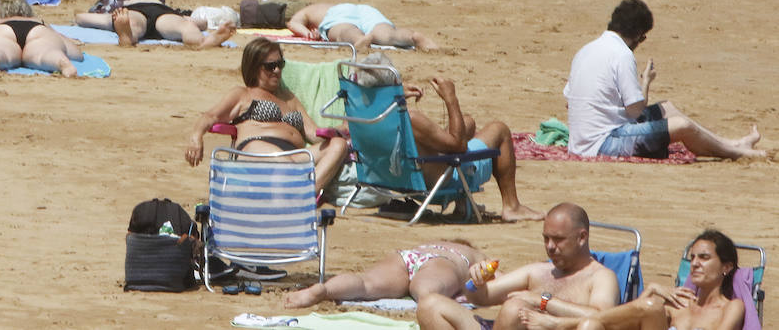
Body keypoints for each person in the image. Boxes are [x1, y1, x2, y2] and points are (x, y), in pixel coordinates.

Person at [563, 0, 764, 159]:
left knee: (666, 108)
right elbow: (634, 111)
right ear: (637, 34)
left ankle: (730, 143)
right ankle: (736, 152)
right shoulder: (621, 54)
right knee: (683, 126)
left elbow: (569, 101)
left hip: (583, 139)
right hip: (603, 143)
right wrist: (646, 83)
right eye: (642, 38)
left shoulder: (585, 50)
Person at [353, 53, 543, 222]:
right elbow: (459, 146)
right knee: (499, 130)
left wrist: (395, 93)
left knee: (467, 123)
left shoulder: (361, 113)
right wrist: (451, 98)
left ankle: (463, 205)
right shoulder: (410, 119)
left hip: (394, 178)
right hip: (437, 183)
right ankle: (512, 206)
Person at [184, 38, 349, 194]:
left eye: (280, 64)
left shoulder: (289, 97)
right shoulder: (243, 94)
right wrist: (196, 137)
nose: (277, 71)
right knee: (278, 157)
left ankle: (304, 194)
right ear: (254, 68)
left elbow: (314, 134)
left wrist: (341, 130)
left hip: (293, 157)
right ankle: (297, 187)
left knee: (338, 145)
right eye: (270, 66)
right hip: (256, 151)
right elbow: (210, 116)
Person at [415, 204, 619, 330]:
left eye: (558, 240)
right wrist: (474, 282)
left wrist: (543, 301)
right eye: (546, 239)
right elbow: (478, 298)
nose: (550, 247)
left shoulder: (601, 277)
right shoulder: (538, 271)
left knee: (514, 308)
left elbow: (602, 318)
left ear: (582, 237)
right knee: (430, 304)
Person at [526, 230, 746, 330]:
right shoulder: (679, 303)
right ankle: (565, 324)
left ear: (726, 267)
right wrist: (648, 292)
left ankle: (560, 325)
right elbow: (630, 321)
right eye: (693, 258)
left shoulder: (732, 307)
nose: (695, 263)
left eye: (704, 258)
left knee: (650, 307)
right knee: (590, 325)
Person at [286, 240, 486, 309]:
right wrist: (471, 286)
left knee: (366, 284)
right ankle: (426, 301)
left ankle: (324, 289)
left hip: (406, 256)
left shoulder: (431, 244)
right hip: (441, 263)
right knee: (427, 292)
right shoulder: (471, 253)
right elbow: (494, 276)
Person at [0, 0, 86, 76]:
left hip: (4, 30)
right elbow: (72, 49)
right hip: (37, 30)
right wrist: (70, 47)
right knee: (47, 52)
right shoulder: (39, 21)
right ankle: (61, 61)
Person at [75, 0, 237, 48]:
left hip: (132, 11)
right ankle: (201, 41)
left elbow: (81, 18)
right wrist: (196, 24)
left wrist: (81, 16)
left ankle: (127, 35)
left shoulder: (129, 1)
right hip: (164, 14)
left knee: (131, 23)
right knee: (185, 27)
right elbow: (200, 23)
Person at [285, 3, 438, 50]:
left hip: (339, 14)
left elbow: (293, 22)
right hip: (367, 10)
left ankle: (359, 40)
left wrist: (308, 34)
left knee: (345, 31)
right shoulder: (319, 6)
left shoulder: (312, 10)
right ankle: (413, 37)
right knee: (388, 34)